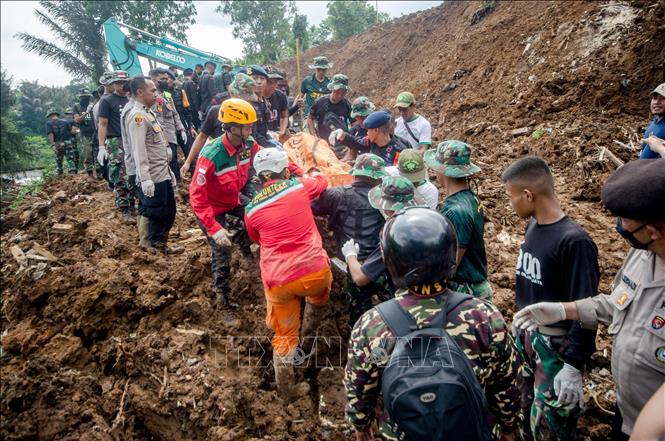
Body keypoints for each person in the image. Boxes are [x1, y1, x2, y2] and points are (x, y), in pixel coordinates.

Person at [512, 158, 665, 441]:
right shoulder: (643, 254)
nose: (618, 226)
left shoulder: (574, 242)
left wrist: (573, 363)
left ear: (653, 230)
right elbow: (613, 304)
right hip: (628, 411)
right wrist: (563, 309)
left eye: (625, 221)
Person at [344, 207, 520, 441]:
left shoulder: (371, 325)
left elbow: (359, 388)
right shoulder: (484, 317)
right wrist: (508, 427)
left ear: (391, 262)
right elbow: (506, 384)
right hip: (470, 429)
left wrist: (361, 424)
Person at [501, 156, 599, 441]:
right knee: (524, 412)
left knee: (551, 425)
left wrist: (573, 365)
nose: (510, 204)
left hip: (555, 349)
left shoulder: (574, 242)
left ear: (528, 195)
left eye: (511, 197)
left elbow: (588, 309)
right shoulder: (532, 226)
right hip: (528, 341)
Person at [244, 148, 331, 401]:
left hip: (279, 280)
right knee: (317, 300)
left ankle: (287, 393)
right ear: (285, 170)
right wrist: (304, 171)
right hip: (315, 273)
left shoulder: (251, 209)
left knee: (283, 337)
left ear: (259, 177)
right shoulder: (299, 187)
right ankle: (308, 341)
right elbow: (322, 183)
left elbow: (256, 238)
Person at [189, 98, 260, 306]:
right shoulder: (211, 155)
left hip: (232, 198)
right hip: (210, 207)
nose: (250, 130)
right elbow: (196, 197)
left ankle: (246, 251)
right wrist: (213, 227)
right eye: (246, 127)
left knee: (256, 214)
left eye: (250, 126)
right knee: (222, 250)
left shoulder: (249, 144)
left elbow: (267, 158)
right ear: (231, 128)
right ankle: (223, 297)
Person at [311, 154, 388, 326]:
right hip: (380, 262)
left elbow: (311, 208)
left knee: (359, 313)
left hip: (352, 262)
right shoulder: (384, 199)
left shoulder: (336, 195)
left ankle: (359, 341)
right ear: (377, 178)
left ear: (355, 174)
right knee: (390, 310)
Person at [424, 141, 491, 298]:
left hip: (466, 291)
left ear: (443, 171)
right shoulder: (471, 198)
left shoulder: (455, 211)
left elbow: (452, 262)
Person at [342, 176, 425, 298]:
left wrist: (350, 255)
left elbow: (360, 278)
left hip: (408, 300)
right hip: (437, 291)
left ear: (386, 207)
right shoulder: (428, 221)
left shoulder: (395, 233)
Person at [127, 76, 177, 252]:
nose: (156, 93)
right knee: (155, 211)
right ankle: (148, 244)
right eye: (152, 90)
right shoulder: (138, 117)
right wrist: (145, 178)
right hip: (153, 174)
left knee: (168, 209)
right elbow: (139, 149)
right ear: (140, 93)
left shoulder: (149, 112)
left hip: (162, 170)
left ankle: (160, 243)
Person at [180, 73, 255, 178]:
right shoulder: (216, 111)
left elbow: (252, 140)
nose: (248, 102)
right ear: (234, 94)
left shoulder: (250, 113)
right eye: (245, 99)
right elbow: (202, 137)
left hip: (243, 161)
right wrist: (188, 161)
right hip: (221, 162)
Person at [98, 70, 134, 222]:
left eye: (123, 83)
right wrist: (101, 146)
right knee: (119, 173)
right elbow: (103, 124)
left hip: (132, 139)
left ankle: (133, 204)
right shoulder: (107, 101)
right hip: (116, 141)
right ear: (112, 84)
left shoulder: (132, 100)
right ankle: (124, 207)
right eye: (118, 83)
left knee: (133, 172)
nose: (121, 86)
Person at [333, 110, 409, 166]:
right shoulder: (371, 141)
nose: (366, 132)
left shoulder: (398, 151)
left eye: (368, 130)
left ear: (376, 130)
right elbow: (356, 142)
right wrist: (342, 135)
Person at [149, 68, 187, 182]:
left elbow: (174, 112)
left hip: (172, 132)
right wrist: (164, 141)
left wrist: (181, 128)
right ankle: (174, 185)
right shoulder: (154, 97)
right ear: (153, 79)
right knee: (169, 161)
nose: (166, 81)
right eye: (162, 79)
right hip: (162, 134)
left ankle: (177, 184)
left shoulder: (166, 94)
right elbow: (158, 119)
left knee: (174, 159)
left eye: (166, 78)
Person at [307, 74, 352, 148]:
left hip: (342, 143)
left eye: (343, 93)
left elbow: (354, 122)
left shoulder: (346, 104)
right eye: (337, 92)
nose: (340, 96)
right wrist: (313, 136)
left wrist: (351, 138)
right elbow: (310, 118)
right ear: (332, 89)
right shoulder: (320, 102)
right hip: (324, 143)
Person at [245, 65, 275, 148]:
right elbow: (252, 133)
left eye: (262, 78)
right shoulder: (246, 103)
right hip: (252, 145)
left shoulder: (264, 102)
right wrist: (269, 145)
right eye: (254, 78)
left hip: (264, 140)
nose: (259, 82)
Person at [73, 88, 96, 177]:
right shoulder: (77, 107)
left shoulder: (93, 105)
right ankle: (90, 174)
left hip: (95, 132)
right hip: (85, 134)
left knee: (97, 153)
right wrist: (87, 112)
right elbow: (77, 120)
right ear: (80, 97)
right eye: (83, 97)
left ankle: (100, 173)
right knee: (88, 154)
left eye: (87, 97)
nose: (85, 99)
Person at [45, 109, 77, 176]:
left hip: (58, 144)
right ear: (57, 115)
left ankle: (60, 173)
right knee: (70, 157)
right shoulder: (65, 122)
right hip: (67, 142)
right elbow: (71, 131)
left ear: (50, 116)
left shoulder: (49, 123)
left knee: (59, 159)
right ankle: (72, 171)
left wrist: (52, 145)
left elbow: (50, 134)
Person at [639, 83, 664, 159]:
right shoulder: (654, 122)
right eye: (655, 98)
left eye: (663, 98)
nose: (656, 102)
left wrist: (660, 148)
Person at [264, 66, 289, 140]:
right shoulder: (257, 98)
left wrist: (282, 131)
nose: (272, 85)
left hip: (277, 132)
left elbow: (284, 116)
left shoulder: (281, 96)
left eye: (275, 82)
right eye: (269, 82)